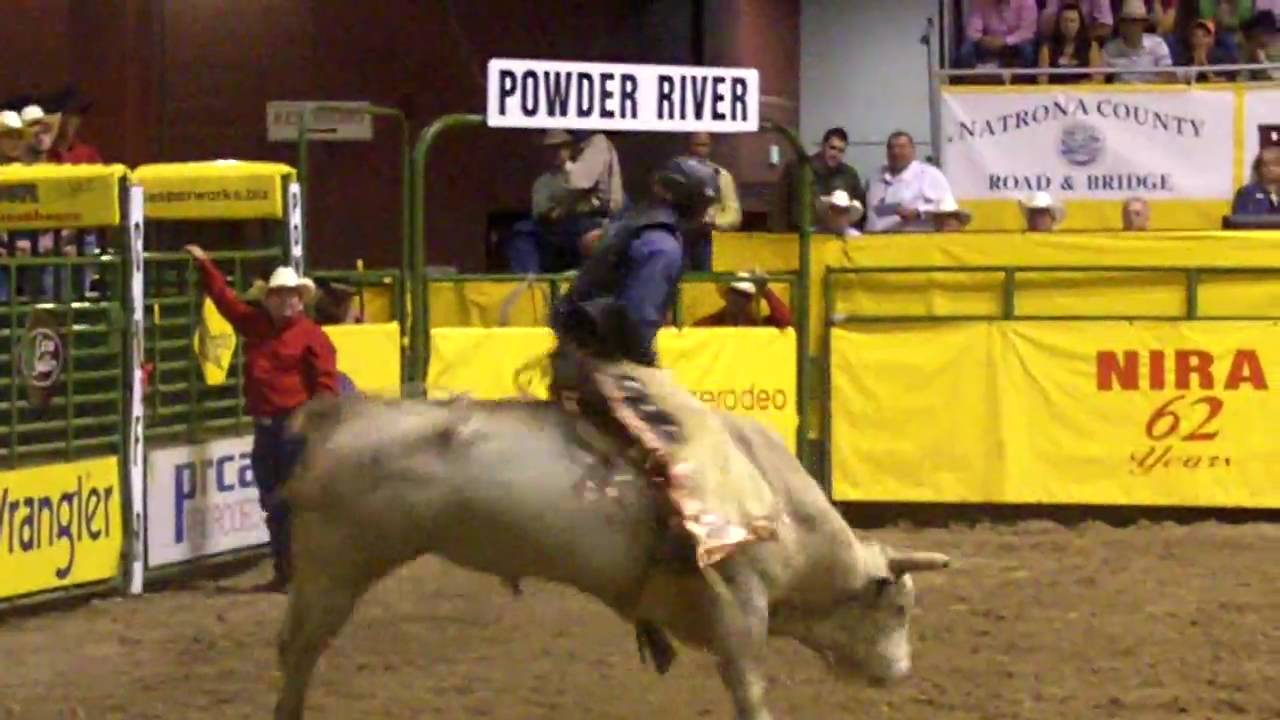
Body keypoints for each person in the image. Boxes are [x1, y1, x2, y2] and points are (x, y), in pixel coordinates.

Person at [549, 155, 779, 675]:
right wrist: (649, 369)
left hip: (582, 349)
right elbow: (635, 320)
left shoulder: (634, 224)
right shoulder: (662, 244)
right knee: (690, 441)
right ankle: (679, 562)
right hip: (604, 359)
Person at [183, 244, 341, 592]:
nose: (285, 302)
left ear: (300, 301)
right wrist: (207, 266)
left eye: (290, 296)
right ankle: (287, 571)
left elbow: (326, 386)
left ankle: (299, 571)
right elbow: (225, 302)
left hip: (295, 426)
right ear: (269, 299)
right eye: (279, 296)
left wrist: (317, 426)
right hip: (268, 426)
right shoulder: (256, 325)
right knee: (273, 499)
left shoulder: (311, 337)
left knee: (293, 502)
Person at [693, 272, 792, 328]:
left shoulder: (758, 326)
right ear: (727, 295)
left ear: (751, 299)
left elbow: (785, 320)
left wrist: (766, 290)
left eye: (745, 296)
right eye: (735, 293)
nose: (739, 300)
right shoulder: (710, 324)